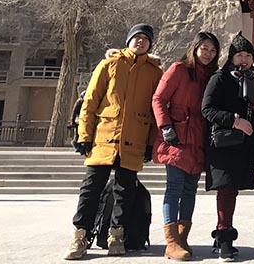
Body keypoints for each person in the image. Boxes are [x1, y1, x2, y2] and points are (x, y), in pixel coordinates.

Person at [63, 23, 163, 260]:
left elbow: (154, 112)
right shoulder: (109, 64)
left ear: (150, 45)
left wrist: (150, 144)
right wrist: (84, 136)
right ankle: (80, 235)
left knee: (124, 190)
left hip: (134, 140)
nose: (140, 42)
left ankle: (116, 235)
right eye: (136, 38)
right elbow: (90, 101)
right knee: (90, 189)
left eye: (145, 39)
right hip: (103, 138)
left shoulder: (154, 72)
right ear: (128, 40)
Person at [152, 31, 220, 260]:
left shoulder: (212, 75)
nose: (208, 54)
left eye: (213, 50)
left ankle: (182, 238)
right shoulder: (179, 69)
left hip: (199, 138)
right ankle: (171, 241)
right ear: (195, 48)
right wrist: (165, 126)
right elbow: (158, 99)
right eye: (205, 48)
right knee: (174, 188)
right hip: (177, 136)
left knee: (190, 190)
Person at [201, 31, 254, 262]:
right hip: (223, 143)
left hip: (242, 145)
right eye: (239, 55)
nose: (244, 59)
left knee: (232, 190)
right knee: (225, 190)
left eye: (248, 55)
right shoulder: (220, 78)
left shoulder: (251, 80)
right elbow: (207, 109)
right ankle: (225, 239)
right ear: (231, 57)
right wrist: (235, 120)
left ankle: (222, 235)